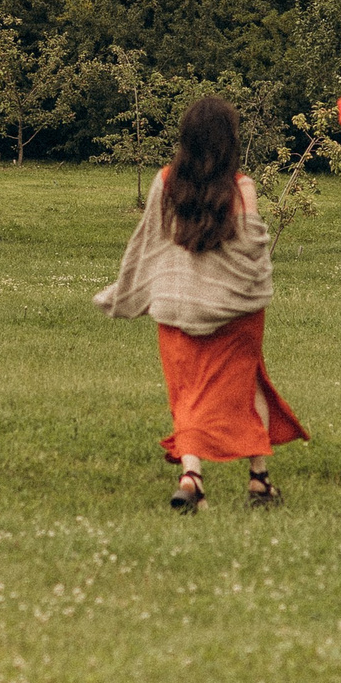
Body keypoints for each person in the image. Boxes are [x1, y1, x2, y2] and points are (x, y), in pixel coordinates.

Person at [95, 96, 307, 511]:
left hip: (178, 309)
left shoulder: (165, 182)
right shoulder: (242, 188)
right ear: (230, 142)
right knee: (246, 385)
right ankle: (259, 481)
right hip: (236, 312)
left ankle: (192, 478)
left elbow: (148, 241)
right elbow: (252, 253)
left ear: (185, 139)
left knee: (188, 393)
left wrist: (133, 289)